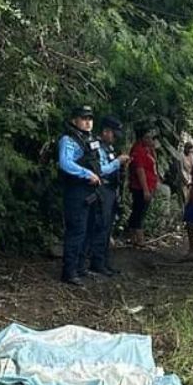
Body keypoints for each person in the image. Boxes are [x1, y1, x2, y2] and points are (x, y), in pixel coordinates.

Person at [56, 106, 103, 285]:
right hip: (76, 191)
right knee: (76, 231)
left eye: (90, 118)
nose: (88, 122)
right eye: (84, 118)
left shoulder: (90, 139)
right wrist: (87, 174)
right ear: (74, 120)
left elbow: (97, 164)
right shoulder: (69, 139)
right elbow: (65, 163)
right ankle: (69, 272)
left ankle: (81, 267)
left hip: (91, 191)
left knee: (89, 230)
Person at [88, 115, 130, 277]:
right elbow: (100, 170)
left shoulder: (110, 148)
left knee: (107, 228)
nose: (115, 138)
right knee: (101, 226)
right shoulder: (96, 147)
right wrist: (117, 162)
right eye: (113, 134)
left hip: (112, 190)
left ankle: (104, 261)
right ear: (105, 131)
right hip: (102, 189)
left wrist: (121, 165)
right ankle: (97, 263)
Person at [127, 126, 159, 249]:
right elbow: (140, 170)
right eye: (147, 137)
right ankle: (139, 239)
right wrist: (145, 190)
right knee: (140, 211)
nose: (150, 140)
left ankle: (133, 237)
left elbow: (153, 164)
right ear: (141, 138)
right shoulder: (138, 150)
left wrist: (153, 149)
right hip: (140, 187)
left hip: (149, 184)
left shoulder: (147, 149)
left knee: (139, 210)